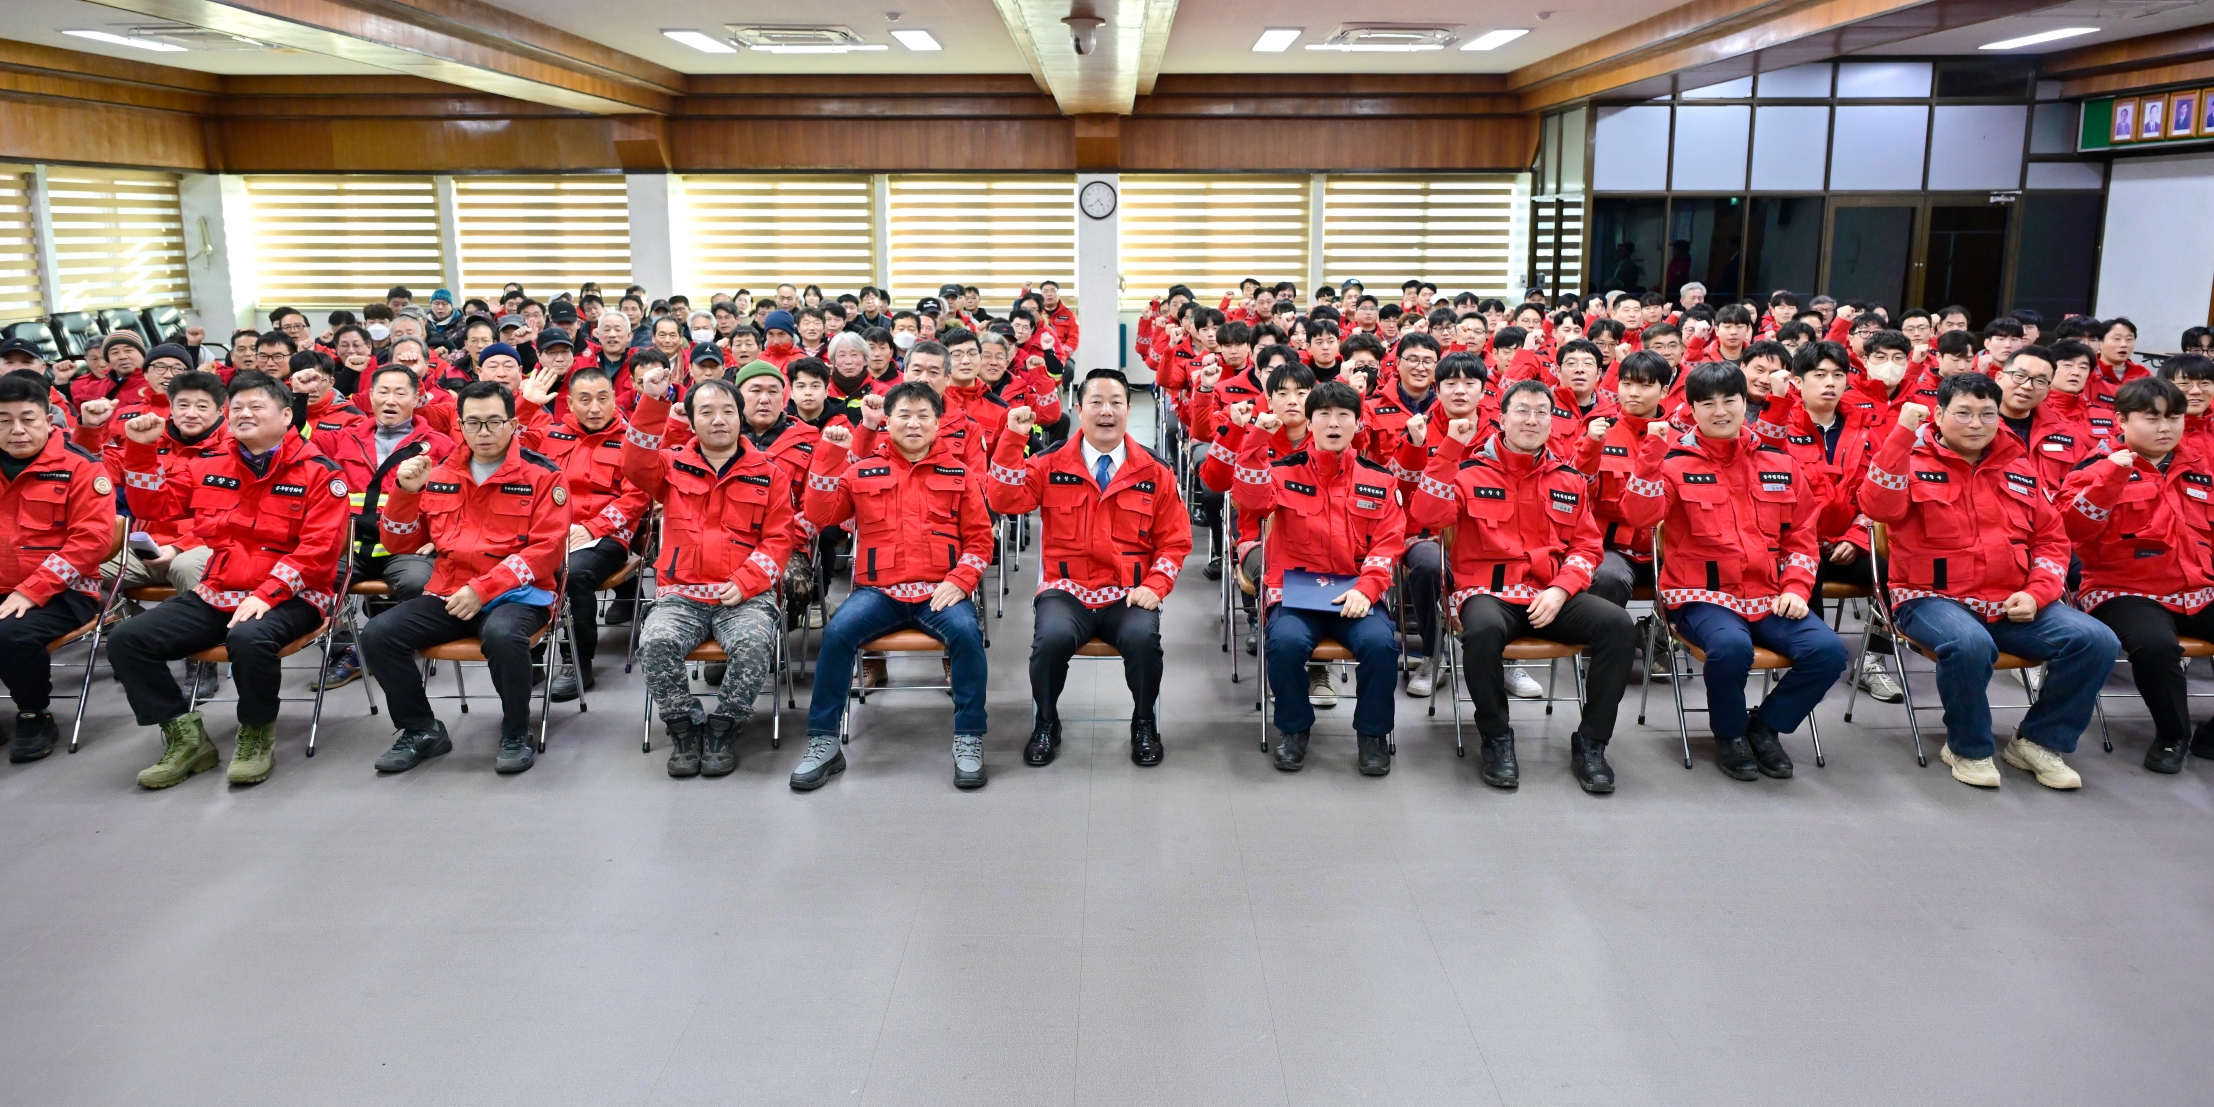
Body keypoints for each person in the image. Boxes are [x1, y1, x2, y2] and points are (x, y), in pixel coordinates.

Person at [1860, 375, 2116, 790]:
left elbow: (2052, 540)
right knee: (1969, 644)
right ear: (1938, 414)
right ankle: (1968, 746)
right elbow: (1877, 507)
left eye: (1987, 414)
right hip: (1930, 598)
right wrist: (1902, 434)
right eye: (1963, 413)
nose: (1976, 423)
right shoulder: (1910, 459)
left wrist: (2037, 594)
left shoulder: (2018, 466)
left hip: (2011, 600)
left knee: (2097, 640)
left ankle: (2038, 741)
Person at [107, 372, 350, 787]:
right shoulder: (209, 464)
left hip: (295, 595)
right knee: (128, 639)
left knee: (249, 638)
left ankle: (255, 734)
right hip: (220, 590)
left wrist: (268, 594)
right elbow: (155, 507)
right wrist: (141, 450)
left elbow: (319, 551)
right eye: (236, 407)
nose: (244, 414)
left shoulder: (321, 473)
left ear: (286, 416)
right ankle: (185, 737)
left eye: (256, 406)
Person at [1621, 362, 1848, 780]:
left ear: (1746, 403)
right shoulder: (1672, 462)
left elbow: (1802, 535)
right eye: (1707, 403)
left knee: (1829, 652)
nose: (1720, 411)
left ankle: (1766, 726)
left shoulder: (1778, 462)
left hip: (1770, 594)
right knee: (1730, 648)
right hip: (1700, 594)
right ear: (1692, 409)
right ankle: (1729, 734)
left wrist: (1797, 588)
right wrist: (1650, 457)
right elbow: (1639, 517)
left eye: (1730, 400)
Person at [1409, 378, 1635, 793]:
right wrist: (1450, 449)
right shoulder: (1466, 471)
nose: (1532, 420)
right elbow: (1426, 515)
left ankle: (1591, 742)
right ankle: (1496, 737)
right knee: (1482, 631)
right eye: (1522, 411)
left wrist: (1563, 588)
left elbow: (1587, 547)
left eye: (1541, 412)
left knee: (1619, 625)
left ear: (1552, 421)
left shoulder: (1568, 478)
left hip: (1551, 594)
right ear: (1501, 418)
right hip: (1487, 593)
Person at [362, 381, 570, 775]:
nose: (484, 432)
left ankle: (515, 731)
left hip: (519, 595)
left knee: (503, 635)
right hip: (450, 592)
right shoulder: (440, 473)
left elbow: (547, 551)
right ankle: (421, 729)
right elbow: (398, 542)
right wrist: (405, 493)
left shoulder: (543, 474)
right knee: (378, 634)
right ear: (460, 425)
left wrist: (484, 588)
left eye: (494, 422)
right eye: (473, 423)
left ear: (513, 424)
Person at [986, 369, 1191, 767]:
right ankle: (1046, 722)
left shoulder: (1155, 470)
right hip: (1066, 589)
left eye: (1115, 402)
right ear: (1078, 410)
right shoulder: (1049, 462)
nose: (1106, 411)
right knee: (1050, 640)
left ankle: (1144, 722)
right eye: (1095, 402)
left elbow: (1175, 541)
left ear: (1129, 409)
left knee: (1144, 641)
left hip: (1129, 592)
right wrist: (1012, 440)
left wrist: (1156, 585)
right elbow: (1004, 500)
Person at [799, 381, 994, 791]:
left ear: (938, 423)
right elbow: (820, 515)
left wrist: (961, 581)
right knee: (836, 634)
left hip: (940, 591)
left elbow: (980, 540)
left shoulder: (960, 474)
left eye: (924, 415)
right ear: (888, 421)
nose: (914, 423)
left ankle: (969, 736)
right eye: (904, 415)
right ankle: (824, 742)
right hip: (879, 593)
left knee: (967, 633)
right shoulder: (862, 471)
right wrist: (830, 455)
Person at [622, 364, 795, 778]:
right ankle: (684, 727)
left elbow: (780, 539)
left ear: (741, 416)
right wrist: (652, 401)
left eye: (728, 411)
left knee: (754, 644)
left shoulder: (770, 474)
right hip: (681, 595)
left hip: (744, 598)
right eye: (706, 412)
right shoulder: (669, 466)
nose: (718, 420)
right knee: (655, 642)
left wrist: (747, 581)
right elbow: (634, 464)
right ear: (692, 420)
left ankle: (724, 727)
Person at [1231, 380, 1405, 775]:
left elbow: (1390, 542)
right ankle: (1294, 729)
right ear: (1309, 423)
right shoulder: (1281, 472)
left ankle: (1373, 734)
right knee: (1285, 643)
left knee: (1380, 645)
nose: (1333, 423)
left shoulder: (1379, 479)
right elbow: (1251, 500)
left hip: (1355, 594)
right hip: (1296, 593)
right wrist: (1258, 438)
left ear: (1358, 424)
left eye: (1344, 415)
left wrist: (1367, 589)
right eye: (1323, 414)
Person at [2061, 377, 2214, 774]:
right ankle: (2173, 735)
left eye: (2174, 418)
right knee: (2154, 644)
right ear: (2121, 421)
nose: (2166, 428)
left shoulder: (2200, 466)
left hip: (2198, 586)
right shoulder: (2095, 468)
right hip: (2123, 589)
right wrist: (2109, 480)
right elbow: (2071, 531)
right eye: (2152, 418)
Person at [513, 363, 650, 701]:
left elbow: (636, 498)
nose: (595, 407)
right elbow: (509, 449)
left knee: (573, 575)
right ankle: (530, 652)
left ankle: (576, 660)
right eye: (585, 400)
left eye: (603, 398)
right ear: (571, 404)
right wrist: (526, 405)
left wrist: (591, 528)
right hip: (551, 532)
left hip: (606, 536)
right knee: (517, 567)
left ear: (614, 399)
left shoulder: (631, 441)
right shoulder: (551, 434)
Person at [0, 372, 115, 763]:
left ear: (49, 420)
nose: (17, 430)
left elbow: (91, 543)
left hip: (65, 591)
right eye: (4, 421)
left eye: (27, 418)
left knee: (11, 634)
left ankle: (34, 714)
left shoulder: (81, 467)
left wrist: (32, 590)